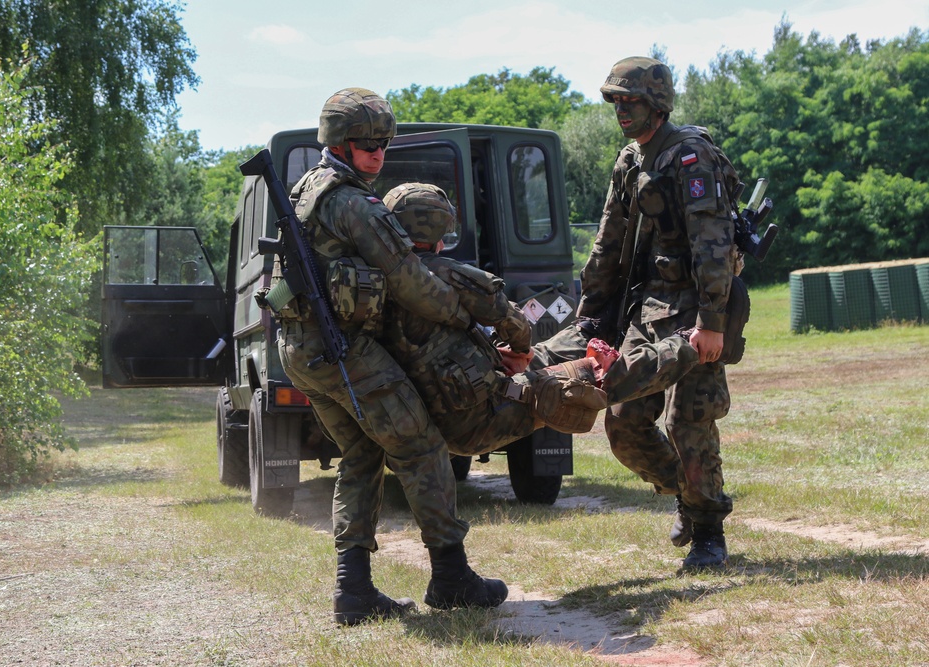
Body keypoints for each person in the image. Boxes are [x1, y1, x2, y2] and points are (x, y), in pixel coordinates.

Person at [268, 88, 506, 625]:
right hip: (340, 349)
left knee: (361, 453)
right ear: (339, 143)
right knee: (420, 446)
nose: (376, 153)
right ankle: (451, 577)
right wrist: (465, 316)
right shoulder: (353, 203)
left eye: (383, 143)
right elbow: (410, 281)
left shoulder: (307, 188)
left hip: (301, 350)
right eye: (365, 144)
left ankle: (353, 592)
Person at [576, 57, 749, 570]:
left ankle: (708, 532)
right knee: (625, 423)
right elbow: (607, 245)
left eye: (629, 100)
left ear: (657, 103)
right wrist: (589, 319)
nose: (620, 109)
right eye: (614, 100)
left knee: (688, 420)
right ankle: (687, 495)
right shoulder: (629, 162)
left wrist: (712, 323)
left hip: (697, 307)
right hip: (647, 312)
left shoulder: (690, 156)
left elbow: (713, 247)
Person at [379, 182, 702, 456]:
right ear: (439, 230)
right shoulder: (447, 276)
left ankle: (585, 333)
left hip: (431, 411)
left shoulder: (376, 283)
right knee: (594, 377)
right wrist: (519, 351)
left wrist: (495, 356)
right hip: (476, 418)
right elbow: (517, 326)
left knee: (547, 353)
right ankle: (686, 345)